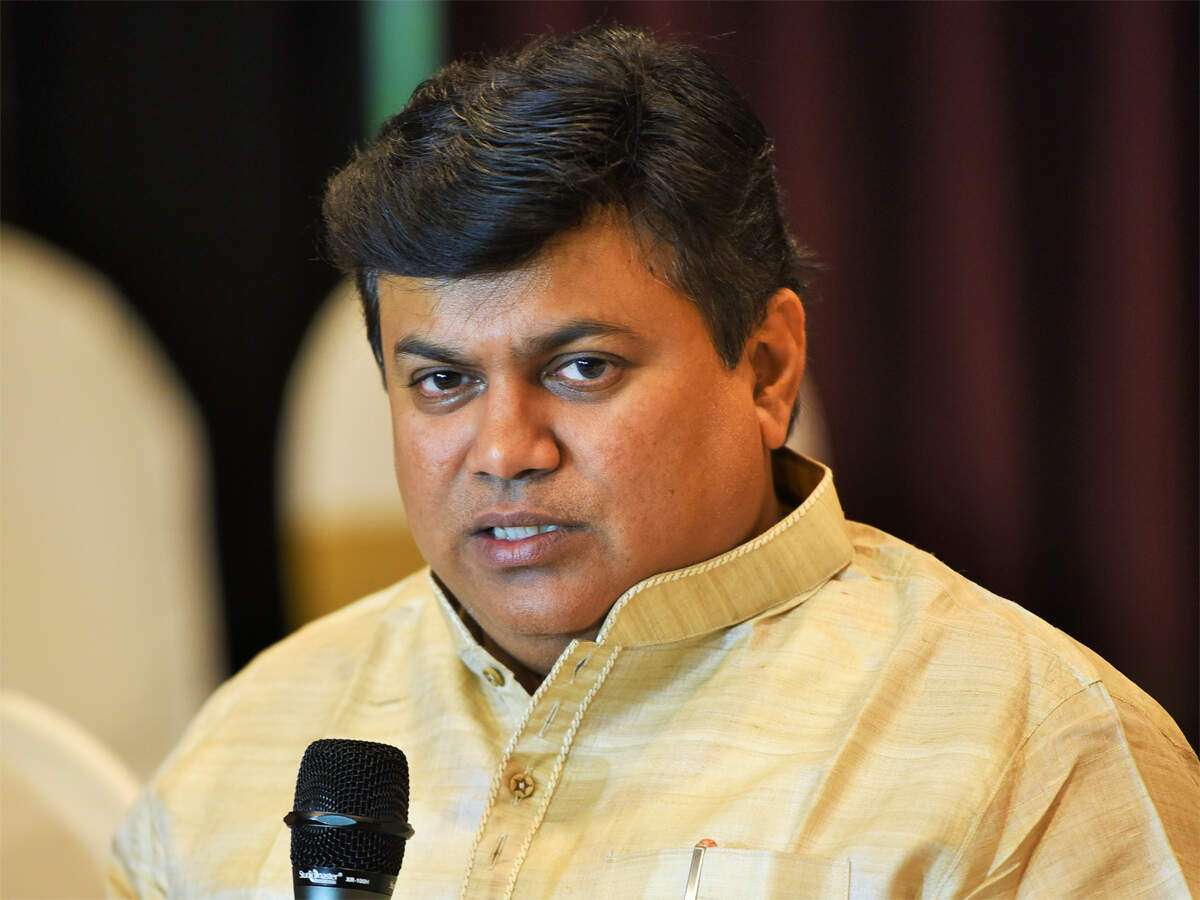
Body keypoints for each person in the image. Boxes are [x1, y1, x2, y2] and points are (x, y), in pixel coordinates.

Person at [111, 26, 1198, 898]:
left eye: (582, 368)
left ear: (766, 367)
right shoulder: (246, 749)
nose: (506, 451)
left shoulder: (1035, 756)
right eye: (442, 381)